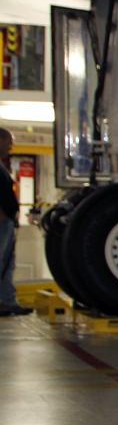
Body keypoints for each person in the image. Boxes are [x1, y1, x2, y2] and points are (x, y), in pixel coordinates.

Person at [0, 127, 34, 316]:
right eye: (8, 142)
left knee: (6, 263)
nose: (11, 146)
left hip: (7, 221)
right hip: (2, 222)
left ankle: (7, 301)